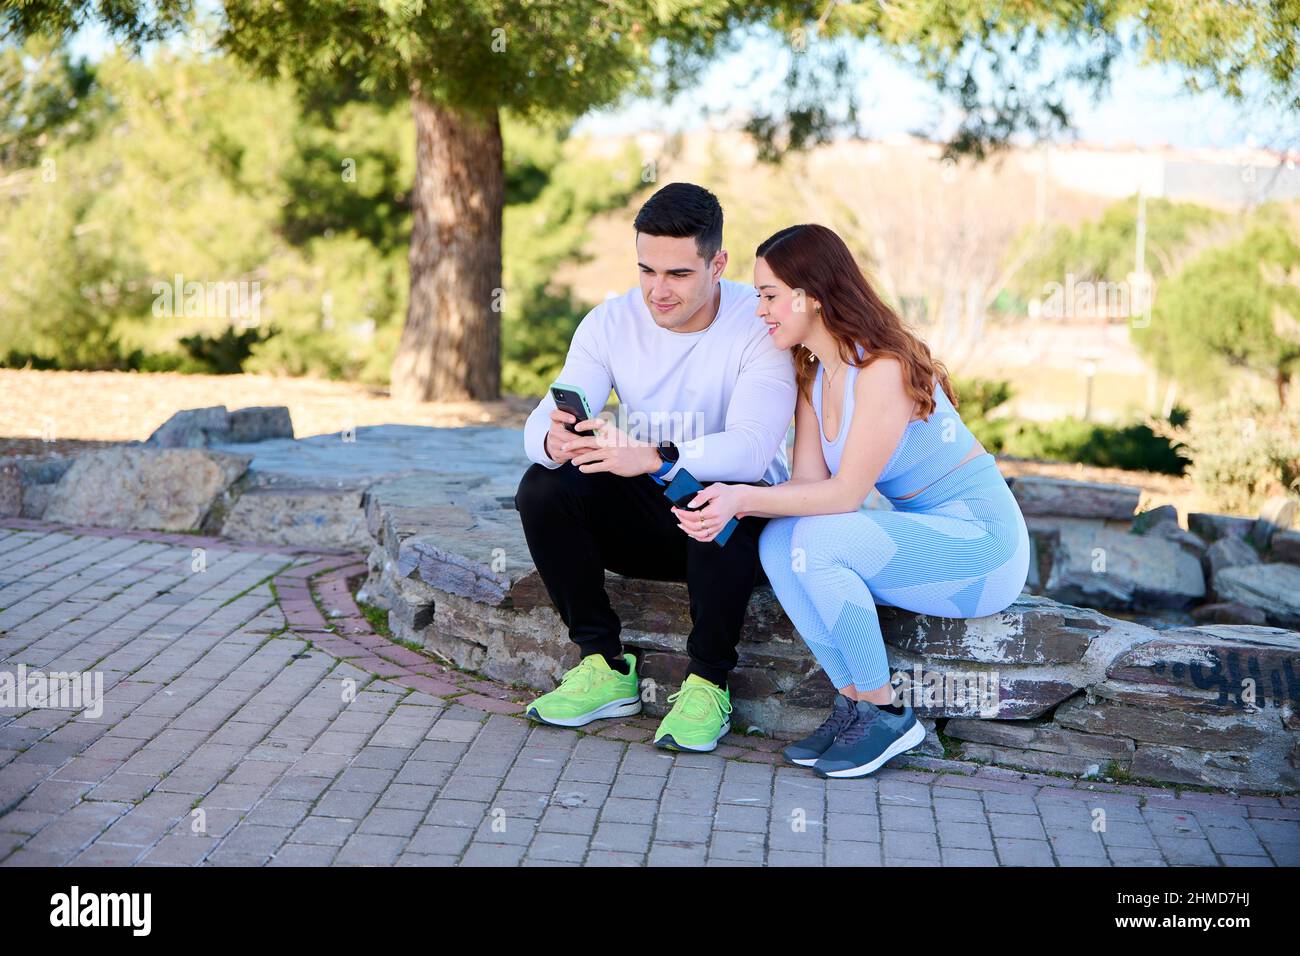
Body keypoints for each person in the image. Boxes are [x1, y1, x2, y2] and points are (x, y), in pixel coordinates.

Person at [677, 223, 1031, 778]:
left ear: (811, 295)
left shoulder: (882, 368)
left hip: (984, 547)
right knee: (778, 539)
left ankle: (887, 711)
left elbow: (843, 496)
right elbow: (805, 489)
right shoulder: (812, 375)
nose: (760, 309)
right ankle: (854, 700)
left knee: (818, 537)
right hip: (927, 537)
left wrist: (742, 497)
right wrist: (728, 501)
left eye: (769, 296)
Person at [513, 182, 796, 752]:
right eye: (647, 271)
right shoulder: (610, 322)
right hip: (646, 524)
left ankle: (708, 685)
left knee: (717, 489)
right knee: (543, 487)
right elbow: (542, 420)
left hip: (738, 528)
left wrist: (657, 456)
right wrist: (555, 437)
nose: (657, 291)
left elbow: (752, 448)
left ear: (717, 264)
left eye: (678, 275)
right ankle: (603, 667)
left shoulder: (757, 322)